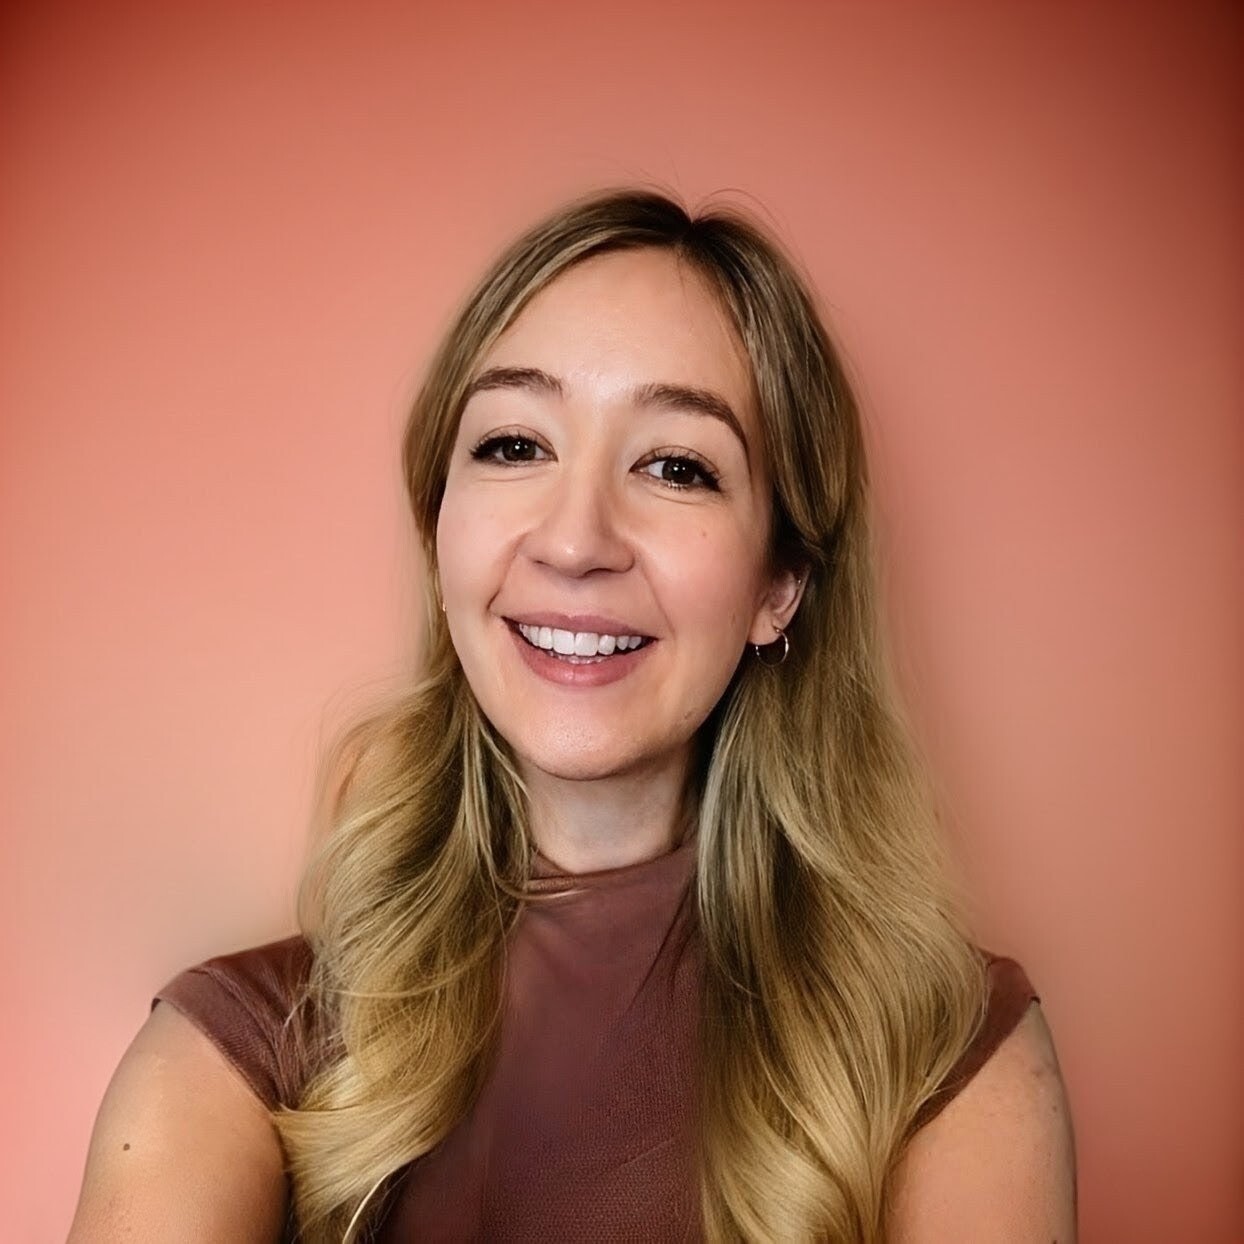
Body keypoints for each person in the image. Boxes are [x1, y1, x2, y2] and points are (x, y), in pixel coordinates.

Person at [68, 189, 1076, 1242]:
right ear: (440, 530)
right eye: (513, 445)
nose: (575, 537)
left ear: (779, 582)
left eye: (675, 465)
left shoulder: (951, 1059)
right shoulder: (228, 1056)